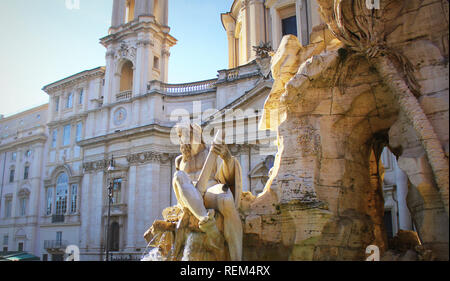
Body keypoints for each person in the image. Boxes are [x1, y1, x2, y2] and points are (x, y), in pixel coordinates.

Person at [172, 123, 243, 261]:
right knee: (178, 176)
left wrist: (226, 157)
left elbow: (226, 177)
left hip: (210, 191)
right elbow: (179, 190)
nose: (181, 140)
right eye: (179, 137)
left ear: (196, 135)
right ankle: (207, 221)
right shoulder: (180, 160)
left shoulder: (212, 153)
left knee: (227, 200)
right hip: (189, 197)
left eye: (183, 135)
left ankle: (237, 260)